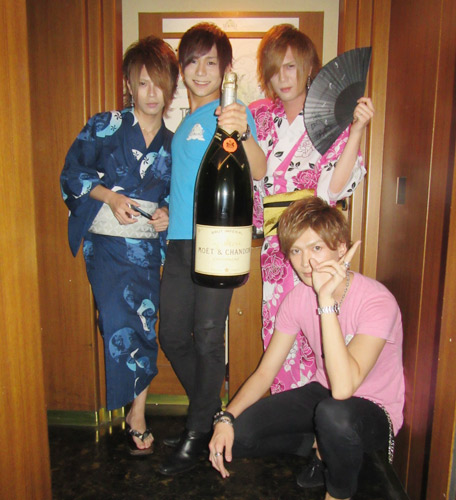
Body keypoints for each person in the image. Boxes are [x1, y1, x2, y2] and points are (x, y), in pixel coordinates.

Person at [209, 197, 404, 500]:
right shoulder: (297, 299)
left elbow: (344, 388)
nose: (305, 262)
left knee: (334, 416)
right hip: (324, 393)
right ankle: (324, 446)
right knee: (241, 433)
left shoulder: (377, 301)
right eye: (296, 251)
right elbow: (265, 373)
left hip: (373, 409)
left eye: (316, 248)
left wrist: (326, 303)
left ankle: (338, 492)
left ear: (341, 249)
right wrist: (226, 418)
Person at [60, 36, 179, 455]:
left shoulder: (173, 143)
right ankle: (130, 409)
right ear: (129, 84)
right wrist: (110, 196)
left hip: (146, 251)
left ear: (171, 86)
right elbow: (72, 174)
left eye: (159, 84)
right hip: (108, 247)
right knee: (117, 322)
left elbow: (177, 196)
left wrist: (166, 213)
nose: (152, 93)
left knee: (145, 327)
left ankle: (136, 413)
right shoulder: (104, 125)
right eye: (143, 83)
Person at [158, 22, 266, 475]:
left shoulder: (232, 113)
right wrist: (167, 212)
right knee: (171, 335)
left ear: (225, 70)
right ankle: (207, 415)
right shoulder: (184, 122)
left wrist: (243, 131)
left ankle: (197, 429)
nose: (200, 71)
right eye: (192, 61)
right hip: (179, 242)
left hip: (217, 242)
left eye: (210, 62)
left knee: (206, 335)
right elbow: (186, 183)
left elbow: (258, 169)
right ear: (182, 68)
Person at [250, 24, 375, 393]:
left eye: (291, 66)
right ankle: (286, 408)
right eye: (274, 69)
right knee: (279, 325)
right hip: (277, 244)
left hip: (315, 242)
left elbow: (333, 188)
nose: (282, 77)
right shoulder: (259, 116)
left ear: (308, 68)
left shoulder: (330, 115)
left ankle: (320, 407)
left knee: (320, 323)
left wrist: (356, 131)